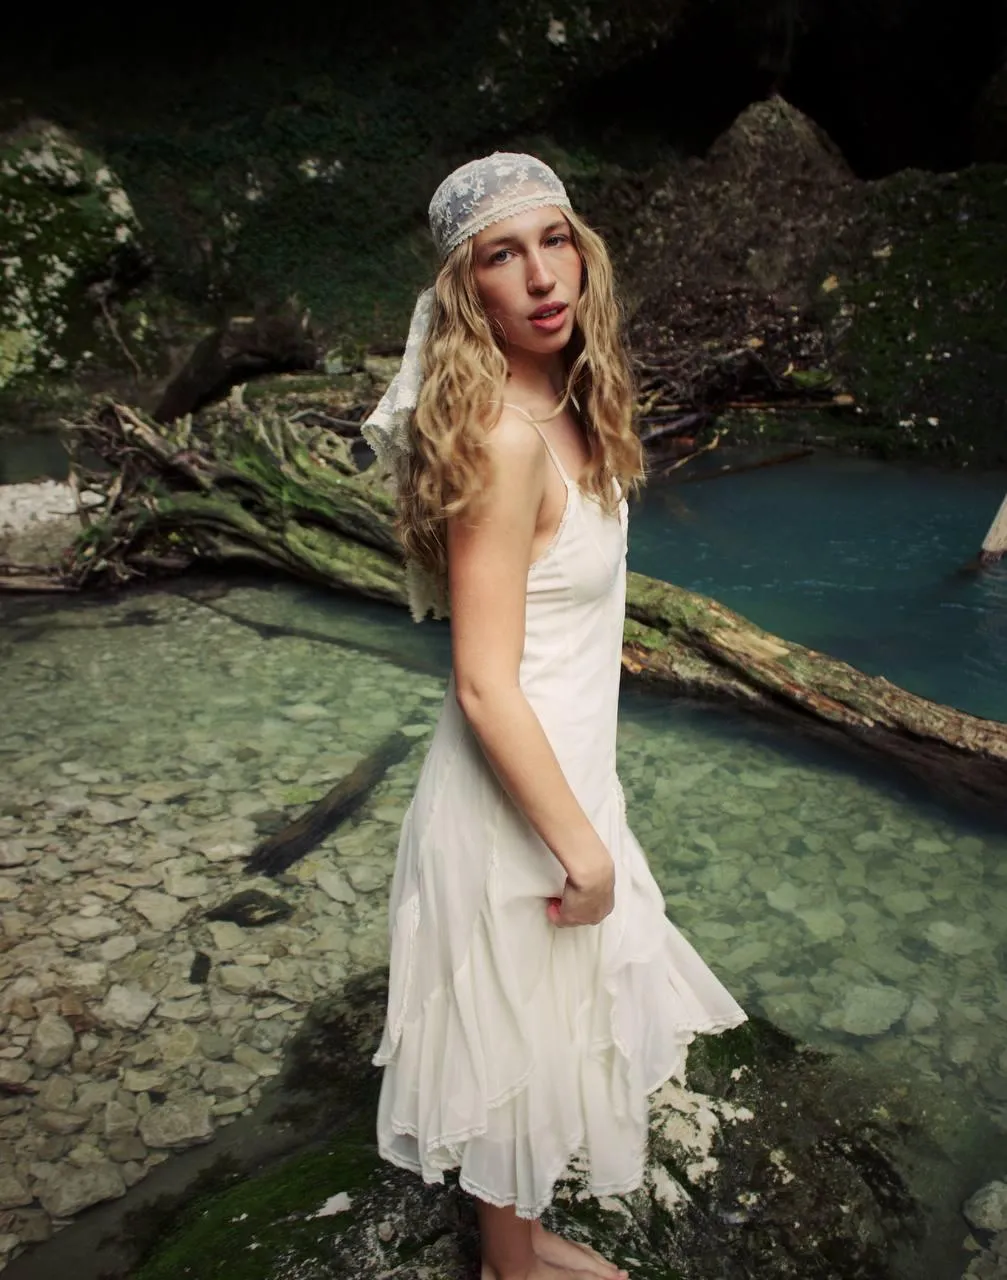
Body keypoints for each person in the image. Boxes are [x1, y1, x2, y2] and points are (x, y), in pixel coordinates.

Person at [362, 153, 746, 1280]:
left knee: (536, 1019)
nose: (539, 275)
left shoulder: (570, 403)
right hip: (512, 790)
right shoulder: (500, 439)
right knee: (511, 1026)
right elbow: (482, 679)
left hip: (571, 761)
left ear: (582, 250)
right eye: (500, 254)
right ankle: (510, 1268)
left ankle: (513, 1249)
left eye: (553, 241)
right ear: (463, 290)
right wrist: (581, 847)